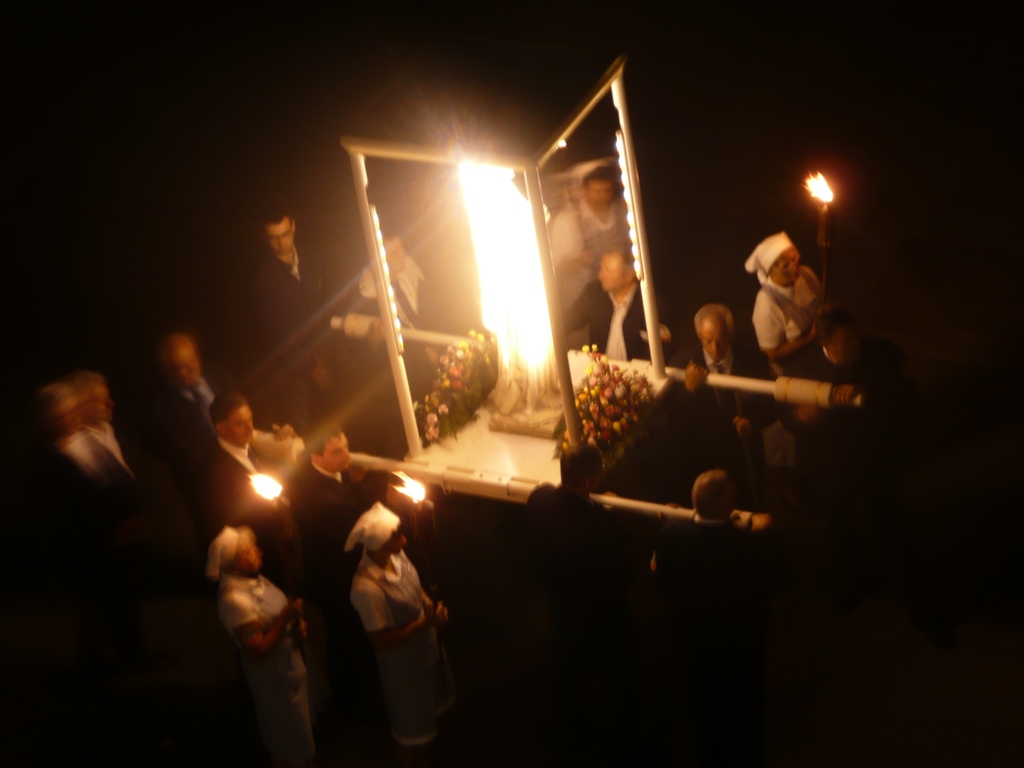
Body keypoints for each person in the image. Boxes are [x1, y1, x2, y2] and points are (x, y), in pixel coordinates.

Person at [651, 470, 793, 768]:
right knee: (746, 712)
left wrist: (675, 525)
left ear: (694, 502)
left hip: (695, 644)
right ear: (731, 506)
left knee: (703, 709)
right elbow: (783, 580)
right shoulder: (751, 544)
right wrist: (768, 532)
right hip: (743, 646)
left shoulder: (670, 536)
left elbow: (660, 580)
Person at [786, 306, 915, 612]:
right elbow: (784, 415)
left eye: (857, 336)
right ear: (826, 344)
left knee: (889, 525)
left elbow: (905, 396)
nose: (857, 343)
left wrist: (867, 392)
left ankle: (906, 589)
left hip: (876, 461)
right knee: (840, 531)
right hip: (834, 469)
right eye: (848, 340)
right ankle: (848, 587)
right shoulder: (801, 369)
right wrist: (801, 417)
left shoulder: (881, 355)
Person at [525, 444, 640, 763]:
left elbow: (546, 495)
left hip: (560, 606)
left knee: (567, 676)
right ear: (589, 482)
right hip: (600, 616)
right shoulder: (600, 529)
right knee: (615, 677)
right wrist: (617, 519)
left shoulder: (540, 500)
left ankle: (564, 740)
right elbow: (625, 572)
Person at [347, 502, 454, 768]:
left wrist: (428, 604)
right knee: (409, 728)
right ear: (379, 544)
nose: (404, 541)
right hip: (403, 669)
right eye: (396, 538)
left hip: (424, 652)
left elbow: (414, 586)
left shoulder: (396, 556)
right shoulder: (366, 588)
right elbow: (380, 640)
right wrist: (424, 624)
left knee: (426, 713)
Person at [288, 426, 385, 714]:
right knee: (349, 638)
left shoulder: (320, 476)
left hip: (327, 571)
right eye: (337, 451)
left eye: (346, 446)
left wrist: (355, 484)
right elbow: (359, 530)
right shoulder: (324, 499)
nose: (347, 455)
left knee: (344, 636)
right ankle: (356, 702)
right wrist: (366, 493)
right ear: (316, 458)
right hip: (337, 579)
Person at [208, 525, 315, 768]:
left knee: (295, 743)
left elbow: (278, 612)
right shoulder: (234, 601)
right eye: (250, 550)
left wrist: (297, 624)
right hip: (274, 681)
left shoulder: (256, 579)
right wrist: (285, 619)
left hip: (290, 670)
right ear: (235, 561)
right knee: (290, 745)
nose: (259, 551)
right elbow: (256, 651)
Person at [665, 303, 775, 509]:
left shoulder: (754, 360)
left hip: (743, 454)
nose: (715, 348)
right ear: (699, 336)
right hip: (701, 456)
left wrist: (753, 423)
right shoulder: (681, 363)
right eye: (708, 341)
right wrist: (688, 390)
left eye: (721, 339)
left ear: (730, 334)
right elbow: (671, 414)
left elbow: (771, 405)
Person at [204, 391, 297, 588]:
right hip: (262, 562)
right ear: (221, 428)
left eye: (250, 419)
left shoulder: (247, 447)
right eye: (240, 423)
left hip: (281, 547)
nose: (250, 428)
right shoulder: (216, 473)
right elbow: (234, 524)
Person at [251, 205, 331, 435]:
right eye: (273, 238)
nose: (281, 243)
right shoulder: (263, 280)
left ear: (294, 227)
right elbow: (279, 336)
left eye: (285, 234)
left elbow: (329, 300)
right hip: (294, 371)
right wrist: (312, 366)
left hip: (328, 352)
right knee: (302, 432)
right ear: (264, 237)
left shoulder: (313, 257)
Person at [548, 163, 631, 323]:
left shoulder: (621, 213)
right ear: (584, 191)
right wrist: (579, 260)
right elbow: (554, 267)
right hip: (580, 304)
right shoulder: (568, 221)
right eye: (597, 192)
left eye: (607, 190)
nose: (603, 196)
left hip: (617, 300)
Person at [563, 249, 668, 361]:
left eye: (608, 271)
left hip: (634, 370)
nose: (600, 276)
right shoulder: (593, 293)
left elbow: (661, 349)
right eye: (601, 269)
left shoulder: (649, 304)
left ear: (629, 276)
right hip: (599, 368)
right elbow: (569, 321)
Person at [744, 231, 822, 373]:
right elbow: (773, 354)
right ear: (770, 270)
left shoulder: (806, 274)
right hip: (796, 368)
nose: (794, 267)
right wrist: (809, 339)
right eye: (785, 266)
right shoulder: (766, 303)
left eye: (794, 259)